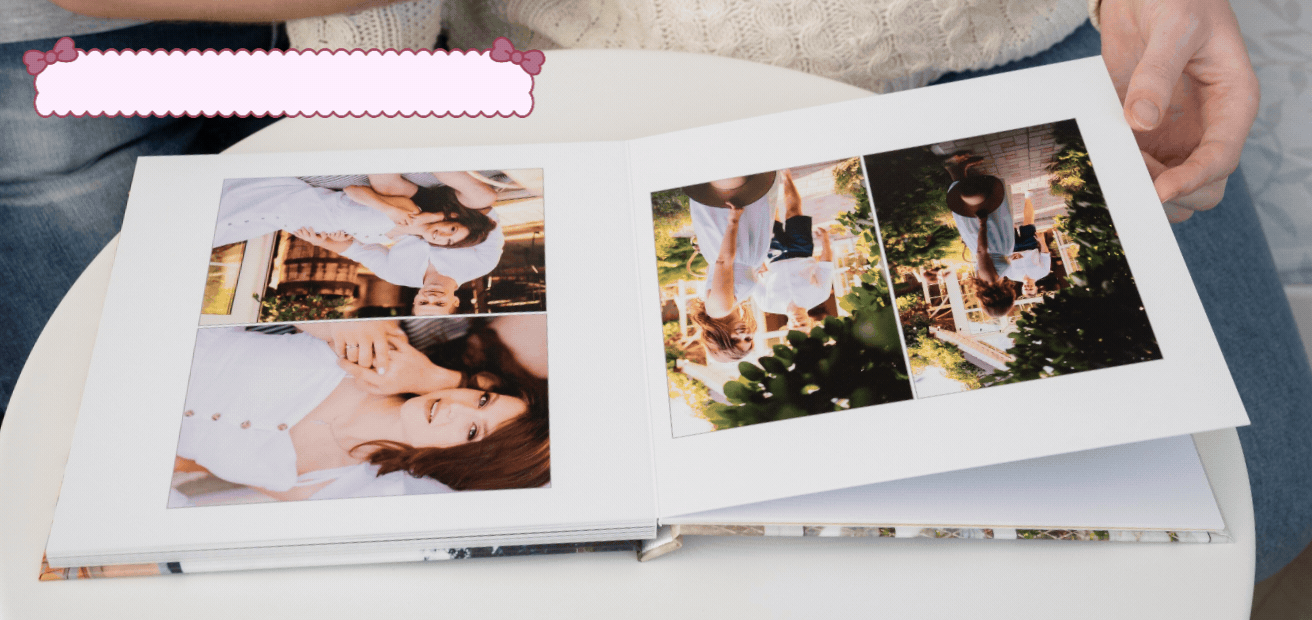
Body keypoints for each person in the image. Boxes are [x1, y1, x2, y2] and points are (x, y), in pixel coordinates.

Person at [175, 322, 549, 501]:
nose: (456, 407)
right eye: (483, 401)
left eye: (472, 432)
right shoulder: (378, 352)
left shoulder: (328, 487)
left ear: (460, 465)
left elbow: (195, 461)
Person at [683, 172, 777, 362]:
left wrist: (733, 221)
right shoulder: (727, 308)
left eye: (735, 340)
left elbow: (723, 262)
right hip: (740, 242)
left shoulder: (720, 309)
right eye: (748, 339)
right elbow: (716, 271)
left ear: (719, 339)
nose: (743, 334)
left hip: (734, 232)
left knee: (733, 180)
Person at [752, 169, 835, 328]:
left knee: (770, 216)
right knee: (794, 211)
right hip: (802, 251)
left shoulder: (768, 305)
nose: (798, 322)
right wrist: (825, 240)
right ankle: (786, 176)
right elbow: (826, 266)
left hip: (773, 256)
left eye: (795, 326)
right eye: (802, 324)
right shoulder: (820, 296)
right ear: (810, 321)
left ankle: (768, 183)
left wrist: (757, 263)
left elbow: (753, 281)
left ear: (789, 325)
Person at [943, 153, 1017, 318]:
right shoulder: (993, 282)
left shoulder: (990, 280)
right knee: (977, 203)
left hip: (990, 239)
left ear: (1004, 299)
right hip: (997, 241)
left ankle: (956, 170)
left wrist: (983, 224)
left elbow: (982, 252)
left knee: (974, 204)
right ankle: (959, 169)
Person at [1003, 188, 1053, 297]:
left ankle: (1003, 200)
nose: (1028, 287)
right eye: (1031, 288)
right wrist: (1042, 241)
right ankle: (1027, 197)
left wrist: (1006, 254)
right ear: (1036, 287)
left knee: (1007, 223)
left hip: (1013, 248)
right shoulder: (1043, 272)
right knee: (1028, 220)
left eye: (1026, 289)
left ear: (1022, 288)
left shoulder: (1012, 276)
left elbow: (1003, 262)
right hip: (1030, 245)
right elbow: (1045, 255)